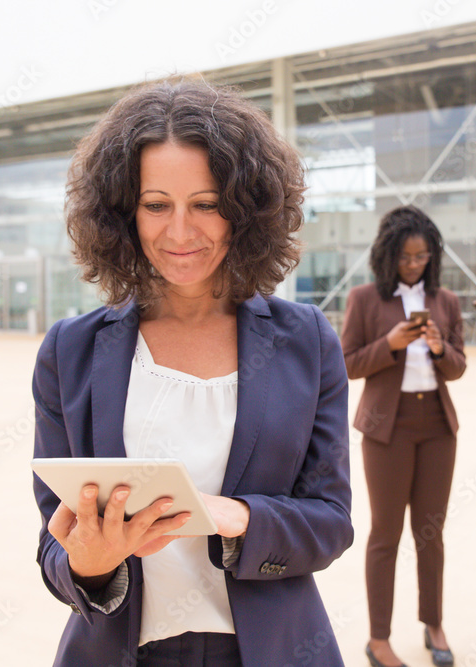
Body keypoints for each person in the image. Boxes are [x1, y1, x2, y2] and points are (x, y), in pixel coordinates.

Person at [31, 79, 354, 667]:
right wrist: (90, 562)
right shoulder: (69, 352)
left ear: (245, 209)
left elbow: (331, 522)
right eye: (156, 205)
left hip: (272, 651)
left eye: (205, 204)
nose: (180, 232)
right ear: (123, 212)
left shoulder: (306, 340)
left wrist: (242, 519)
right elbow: (54, 547)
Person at [340, 206, 466, 667]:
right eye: (406, 257)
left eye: (422, 256)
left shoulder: (446, 301)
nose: (415, 265)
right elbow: (347, 363)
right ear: (389, 255)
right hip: (386, 431)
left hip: (437, 427)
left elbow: (458, 367)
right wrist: (390, 343)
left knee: (431, 534)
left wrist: (438, 347)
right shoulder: (365, 298)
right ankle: (378, 638)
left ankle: (433, 624)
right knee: (386, 534)